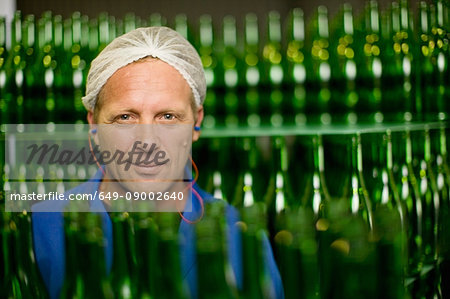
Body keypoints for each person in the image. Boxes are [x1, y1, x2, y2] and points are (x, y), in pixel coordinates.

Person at [32, 27, 284, 298]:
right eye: (125, 117)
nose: (147, 141)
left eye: (168, 116)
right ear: (93, 124)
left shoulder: (240, 237)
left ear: (196, 123)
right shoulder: (41, 227)